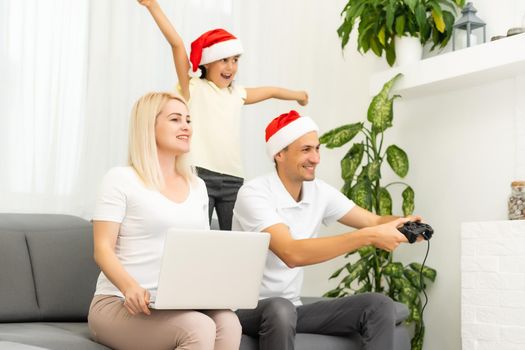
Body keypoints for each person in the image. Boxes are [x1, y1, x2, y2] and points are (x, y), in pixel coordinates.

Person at [232, 110, 425, 350]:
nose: (315, 159)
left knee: (378, 305)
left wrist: (404, 224)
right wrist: (369, 237)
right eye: (306, 150)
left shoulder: (319, 192)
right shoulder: (254, 193)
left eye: (317, 148)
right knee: (280, 308)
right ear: (279, 154)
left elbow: (374, 221)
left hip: (292, 308)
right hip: (248, 309)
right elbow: (292, 253)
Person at [88, 92, 241, 350]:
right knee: (198, 326)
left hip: (174, 303)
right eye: (175, 119)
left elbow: (200, 252)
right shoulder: (120, 179)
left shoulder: (197, 186)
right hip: (118, 302)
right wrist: (130, 288)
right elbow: (102, 250)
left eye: (189, 120)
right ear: (149, 126)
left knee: (229, 321)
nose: (186, 126)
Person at [139, 0, 309, 230]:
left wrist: (298, 95)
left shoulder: (236, 94)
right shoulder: (193, 88)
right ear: (207, 63)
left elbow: (271, 91)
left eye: (235, 60)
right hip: (200, 176)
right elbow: (177, 45)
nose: (231, 67)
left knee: (237, 239)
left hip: (233, 179)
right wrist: (153, 7)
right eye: (224, 60)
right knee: (199, 237)